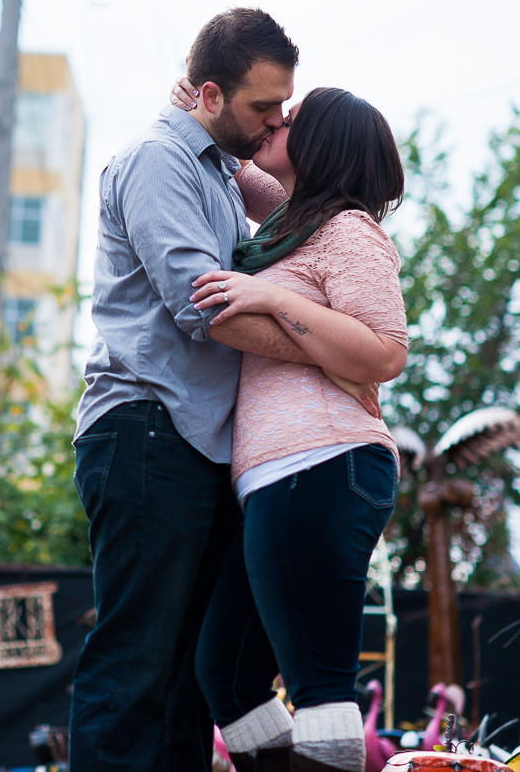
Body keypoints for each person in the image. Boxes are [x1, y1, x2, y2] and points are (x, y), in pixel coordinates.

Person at [70, 7, 324, 772]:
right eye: (263, 107)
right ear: (209, 94)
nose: (277, 119)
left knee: (183, 677)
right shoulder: (159, 159)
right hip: (147, 428)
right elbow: (202, 310)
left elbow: (306, 217)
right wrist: (329, 352)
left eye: (285, 104)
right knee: (137, 659)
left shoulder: (217, 163)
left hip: (196, 440)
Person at [186, 87, 408, 772]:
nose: (276, 120)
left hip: (323, 462)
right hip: (280, 475)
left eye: (293, 117)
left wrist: (272, 296)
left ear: (325, 147)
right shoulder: (291, 222)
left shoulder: (347, 229)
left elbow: (387, 349)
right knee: (224, 672)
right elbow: (236, 160)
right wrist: (200, 97)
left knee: (318, 682)